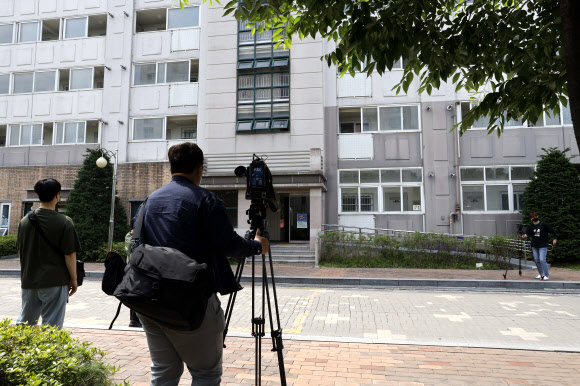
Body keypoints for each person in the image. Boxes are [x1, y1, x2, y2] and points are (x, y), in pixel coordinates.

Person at [135, 142, 269, 385]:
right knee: (205, 373)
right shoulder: (205, 199)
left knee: (164, 370)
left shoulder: (149, 201)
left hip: (149, 299)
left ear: (171, 167)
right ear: (199, 169)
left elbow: (137, 243)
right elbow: (230, 245)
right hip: (191, 301)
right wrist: (258, 245)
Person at [16, 178, 81, 328]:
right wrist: (74, 279)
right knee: (51, 327)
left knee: (25, 324)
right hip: (55, 281)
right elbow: (69, 255)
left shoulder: (24, 221)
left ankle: (19, 350)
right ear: (58, 195)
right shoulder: (65, 222)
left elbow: (21, 252)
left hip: (29, 282)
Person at [520, 212, 557, 280]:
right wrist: (522, 236)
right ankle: (541, 274)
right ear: (531, 219)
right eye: (532, 217)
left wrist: (555, 238)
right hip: (534, 245)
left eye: (535, 217)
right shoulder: (530, 226)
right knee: (537, 260)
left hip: (543, 245)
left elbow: (552, 230)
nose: (534, 218)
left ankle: (546, 275)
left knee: (542, 260)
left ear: (537, 216)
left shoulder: (544, 225)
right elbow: (527, 234)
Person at [124, 217, 142, 328]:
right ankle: (134, 320)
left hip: (142, 268)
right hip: (132, 268)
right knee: (134, 294)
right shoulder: (129, 236)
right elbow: (129, 248)